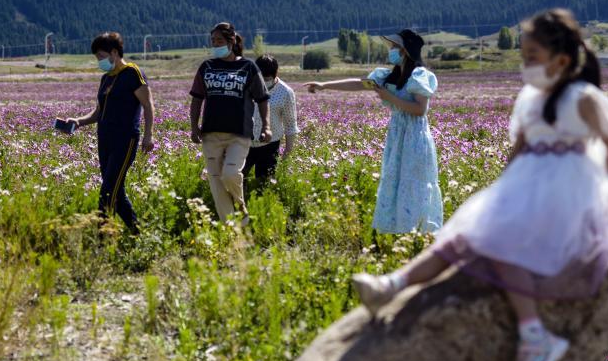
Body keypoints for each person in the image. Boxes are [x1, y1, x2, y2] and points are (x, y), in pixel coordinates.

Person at [352, 9, 608, 361]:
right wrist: (502, 192)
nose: (525, 65)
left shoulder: (583, 98)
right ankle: (394, 285)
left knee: (503, 247)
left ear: (561, 60)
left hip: (568, 195)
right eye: (524, 56)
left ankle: (534, 336)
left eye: (533, 57)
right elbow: (520, 149)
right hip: (529, 190)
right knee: (465, 235)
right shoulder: (530, 100)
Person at [305, 29, 442, 233]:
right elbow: (359, 84)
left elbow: (419, 110)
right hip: (397, 137)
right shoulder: (389, 76)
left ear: (406, 51)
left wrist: (388, 97)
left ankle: (419, 233)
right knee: (396, 182)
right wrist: (324, 85)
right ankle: (402, 233)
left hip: (414, 138)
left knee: (414, 184)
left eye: (396, 47)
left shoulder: (419, 76)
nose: (392, 51)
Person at [61, 32, 154, 234]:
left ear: (114, 52)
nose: (99, 61)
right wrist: (78, 122)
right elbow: (98, 112)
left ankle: (102, 237)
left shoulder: (132, 73)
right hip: (105, 140)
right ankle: (138, 233)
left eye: (101, 56)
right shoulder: (106, 78)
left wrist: (148, 135)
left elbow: (148, 105)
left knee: (108, 191)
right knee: (116, 191)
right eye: (97, 58)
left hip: (125, 140)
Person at [189, 22, 271, 222]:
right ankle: (231, 228)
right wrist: (193, 126)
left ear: (231, 41)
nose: (215, 44)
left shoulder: (248, 67)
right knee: (216, 183)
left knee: (230, 173)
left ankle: (240, 207)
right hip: (211, 133)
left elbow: (262, 98)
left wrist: (267, 126)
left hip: (239, 133)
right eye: (213, 41)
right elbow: (197, 98)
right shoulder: (206, 67)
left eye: (219, 41)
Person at [244, 55, 298, 183]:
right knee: (237, 179)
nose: (263, 82)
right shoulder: (245, 86)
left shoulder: (285, 92)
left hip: (269, 145)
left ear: (275, 74)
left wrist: (287, 151)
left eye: (267, 78)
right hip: (244, 143)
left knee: (264, 183)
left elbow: (290, 124)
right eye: (260, 77)